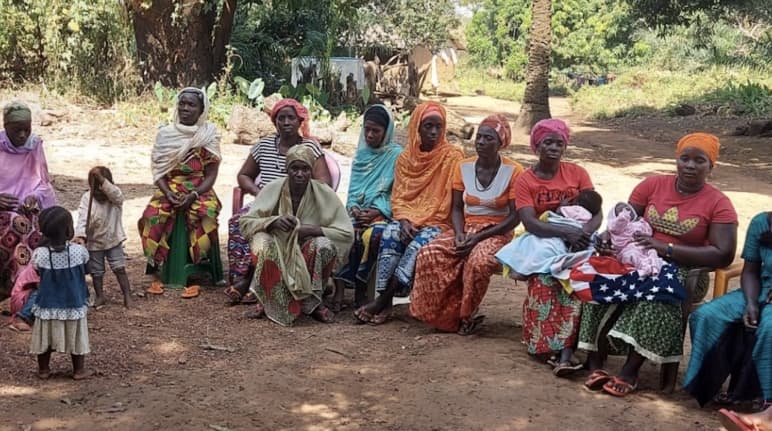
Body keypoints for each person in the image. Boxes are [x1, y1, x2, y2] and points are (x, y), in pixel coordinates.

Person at [579, 132, 738, 396]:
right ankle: (595, 362)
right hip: (637, 257)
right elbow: (624, 222)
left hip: (686, 270)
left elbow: (723, 254)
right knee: (598, 280)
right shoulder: (652, 185)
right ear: (676, 160)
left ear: (711, 166)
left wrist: (668, 248)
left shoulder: (719, 203)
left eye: (699, 160)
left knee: (655, 296)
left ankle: (630, 371)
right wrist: (608, 237)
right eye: (685, 158)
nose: (690, 165)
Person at [409, 114, 522, 335]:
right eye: (479, 137)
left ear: (501, 143)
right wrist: (460, 233)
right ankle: (442, 315)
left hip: (497, 232)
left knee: (479, 261)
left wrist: (478, 238)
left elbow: (514, 216)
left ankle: (466, 314)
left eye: (488, 138)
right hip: (466, 227)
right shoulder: (464, 167)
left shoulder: (514, 171)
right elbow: (457, 208)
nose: (480, 142)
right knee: (429, 253)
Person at [353, 102, 464, 325]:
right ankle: (385, 303)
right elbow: (399, 197)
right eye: (428, 126)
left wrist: (419, 221)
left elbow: (450, 201)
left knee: (416, 247)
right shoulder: (405, 159)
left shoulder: (453, 157)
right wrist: (404, 220)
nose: (433, 132)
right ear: (416, 128)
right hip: (407, 218)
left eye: (438, 126)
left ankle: (381, 301)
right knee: (390, 236)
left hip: (439, 221)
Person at [513, 118, 601, 377]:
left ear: (565, 147)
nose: (553, 147)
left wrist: (582, 233)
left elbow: (597, 212)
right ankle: (542, 344)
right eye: (547, 142)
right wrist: (566, 231)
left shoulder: (578, 173)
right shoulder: (525, 180)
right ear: (536, 146)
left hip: (578, 238)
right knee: (545, 280)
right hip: (543, 237)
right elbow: (529, 222)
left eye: (559, 143)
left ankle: (564, 350)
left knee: (576, 282)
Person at [225, 99, 332, 304]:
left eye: (291, 118)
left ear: (300, 120)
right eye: (280, 118)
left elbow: (323, 182)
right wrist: (260, 193)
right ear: (274, 122)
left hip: (298, 203)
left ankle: (250, 282)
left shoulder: (310, 147)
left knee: (286, 225)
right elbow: (244, 176)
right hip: (266, 203)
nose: (285, 122)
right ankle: (244, 277)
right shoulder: (264, 145)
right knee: (240, 221)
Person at [239, 145, 354, 326]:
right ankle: (266, 300)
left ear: (311, 170)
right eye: (294, 168)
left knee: (323, 245)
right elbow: (246, 222)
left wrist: (311, 230)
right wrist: (273, 222)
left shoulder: (324, 193)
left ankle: (313, 301)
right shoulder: (272, 189)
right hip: (278, 244)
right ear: (287, 169)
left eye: (305, 169)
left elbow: (346, 232)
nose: (299, 174)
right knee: (262, 242)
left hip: (307, 247)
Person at [138, 87, 222, 298]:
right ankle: (160, 259)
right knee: (152, 216)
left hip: (199, 189)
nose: (185, 108)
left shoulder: (208, 136)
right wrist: (168, 193)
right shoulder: (165, 135)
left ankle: (197, 258)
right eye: (182, 103)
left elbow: (211, 175)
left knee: (206, 214)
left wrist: (193, 195)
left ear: (201, 110)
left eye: (191, 104)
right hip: (170, 188)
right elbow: (158, 172)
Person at [684, 211, 771, 408]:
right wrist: (751, 303)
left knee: (769, 328)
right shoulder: (762, 223)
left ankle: (764, 400)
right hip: (761, 288)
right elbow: (750, 271)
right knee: (706, 316)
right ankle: (706, 386)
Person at [331, 104, 402, 311]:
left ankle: (361, 288)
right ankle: (339, 290)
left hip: (384, 214)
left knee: (372, 236)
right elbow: (353, 190)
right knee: (341, 232)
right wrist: (353, 208)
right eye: (367, 129)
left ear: (386, 131)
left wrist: (378, 211)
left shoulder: (397, 156)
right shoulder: (361, 155)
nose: (370, 135)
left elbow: (399, 193)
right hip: (358, 212)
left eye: (376, 131)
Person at [1, 101, 55, 330]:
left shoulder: (35, 146)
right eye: (17, 130)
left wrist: (34, 196)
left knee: (43, 232)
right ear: (5, 127)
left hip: (25, 207)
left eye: (27, 128)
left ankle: (29, 290)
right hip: (4, 211)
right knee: (19, 227)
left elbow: (43, 182)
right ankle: (21, 295)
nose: (23, 135)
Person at [29, 206, 91, 380]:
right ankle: (79, 371)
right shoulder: (79, 252)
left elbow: (37, 272)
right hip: (74, 302)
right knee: (77, 338)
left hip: (48, 303)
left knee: (45, 339)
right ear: (68, 230)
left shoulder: (40, 254)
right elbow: (88, 269)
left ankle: (43, 370)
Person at [496, 189, 603, 281]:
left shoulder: (574, 209)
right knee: (545, 252)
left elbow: (559, 212)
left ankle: (521, 270)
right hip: (564, 239)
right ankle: (526, 271)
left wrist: (562, 205)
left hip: (558, 234)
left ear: (577, 202)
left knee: (529, 243)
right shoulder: (590, 216)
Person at [74, 167, 132, 308]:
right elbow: (82, 218)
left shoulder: (115, 198)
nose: (100, 192)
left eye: (103, 187)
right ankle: (100, 296)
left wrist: (101, 179)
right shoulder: (87, 198)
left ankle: (127, 295)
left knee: (119, 268)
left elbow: (115, 194)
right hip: (94, 242)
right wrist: (81, 235)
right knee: (96, 272)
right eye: (97, 189)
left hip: (113, 239)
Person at [607, 201, 665, 277]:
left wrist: (643, 228)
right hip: (628, 249)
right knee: (633, 255)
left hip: (643, 246)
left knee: (652, 252)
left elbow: (648, 231)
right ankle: (644, 270)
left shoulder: (639, 222)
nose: (625, 210)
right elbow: (616, 226)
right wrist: (622, 217)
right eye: (621, 210)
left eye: (627, 208)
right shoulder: (619, 229)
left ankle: (654, 267)